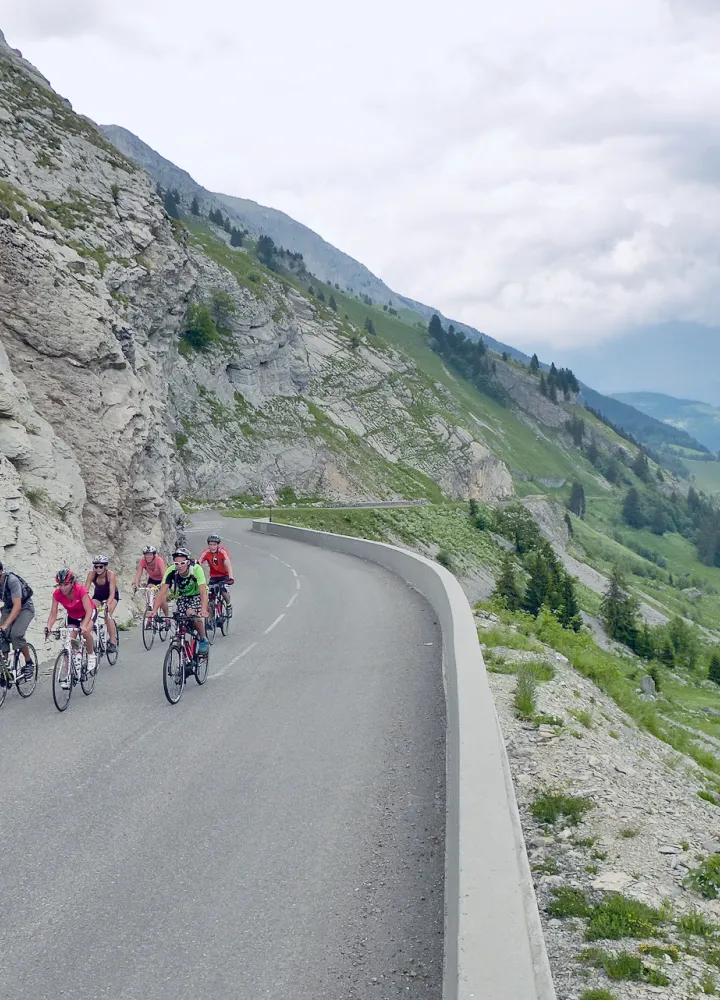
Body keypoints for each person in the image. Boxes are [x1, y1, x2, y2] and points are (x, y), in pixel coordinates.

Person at [152, 548, 209, 654]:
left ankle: (203, 639)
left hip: (197, 595)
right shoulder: (171, 571)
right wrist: (154, 611)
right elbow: (162, 593)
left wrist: (203, 609)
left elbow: (203, 592)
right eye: (177, 563)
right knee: (178, 619)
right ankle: (182, 647)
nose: (179, 566)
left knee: (190, 613)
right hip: (183, 596)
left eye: (182, 563)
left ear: (188, 562)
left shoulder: (196, 569)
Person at [46, 569, 96, 676]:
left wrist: (83, 625)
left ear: (72, 582)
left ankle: (91, 654)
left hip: (87, 613)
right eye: (60, 585)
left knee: (85, 632)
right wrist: (49, 626)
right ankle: (69, 674)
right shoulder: (57, 594)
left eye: (66, 584)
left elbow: (89, 611)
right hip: (73, 616)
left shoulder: (80, 590)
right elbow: (53, 613)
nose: (63, 588)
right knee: (69, 640)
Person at [0, 561, 35, 680]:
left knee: (16, 634)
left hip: (25, 607)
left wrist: (6, 624)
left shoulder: (12, 581)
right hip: (8, 608)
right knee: (1, 635)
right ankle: (4, 670)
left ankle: (29, 662)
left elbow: (17, 606)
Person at [85, 555, 119, 651]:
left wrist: (108, 603)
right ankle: (94, 630)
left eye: (101, 567)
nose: (98, 569)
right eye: (96, 567)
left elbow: (112, 593)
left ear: (105, 567)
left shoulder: (110, 575)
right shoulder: (91, 574)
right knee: (90, 611)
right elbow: (85, 590)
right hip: (98, 596)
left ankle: (112, 641)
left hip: (112, 595)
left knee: (107, 614)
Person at [199, 534, 234, 614]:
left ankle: (228, 605)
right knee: (210, 595)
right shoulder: (206, 552)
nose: (212, 547)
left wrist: (231, 577)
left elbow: (228, 564)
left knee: (223, 590)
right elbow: (199, 562)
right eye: (210, 545)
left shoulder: (222, 551)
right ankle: (210, 621)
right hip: (214, 576)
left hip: (224, 576)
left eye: (214, 545)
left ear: (218, 545)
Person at [133, 545, 168, 616]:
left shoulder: (159, 560)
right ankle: (150, 606)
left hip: (164, 578)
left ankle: (166, 616)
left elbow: (164, 575)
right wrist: (136, 584)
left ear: (154, 555)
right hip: (153, 579)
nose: (148, 556)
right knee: (149, 588)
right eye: (146, 555)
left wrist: (161, 584)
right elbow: (138, 573)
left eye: (150, 555)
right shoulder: (143, 561)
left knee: (162, 600)